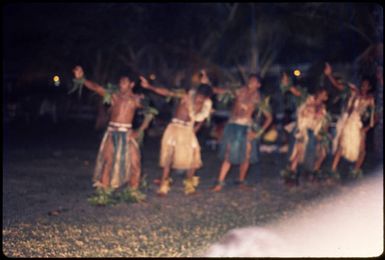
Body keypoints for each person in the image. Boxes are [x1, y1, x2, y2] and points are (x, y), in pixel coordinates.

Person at [72, 66, 151, 197]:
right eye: (120, 82)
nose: (121, 85)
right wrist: (82, 79)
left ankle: (133, 191)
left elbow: (150, 113)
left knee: (135, 162)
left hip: (127, 134)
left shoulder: (137, 99)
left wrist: (139, 131)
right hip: (112, 132)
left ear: (131, 84)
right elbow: (96, 88)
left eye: (124, 82)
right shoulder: (114, 96)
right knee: (108, 161)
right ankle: (104, 192)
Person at [139, 74, 213, 196]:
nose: (199, 100)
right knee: (169, 156)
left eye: (203, 98)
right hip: (175, 128)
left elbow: (202, 119)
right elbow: (168, 93)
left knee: (193, 159)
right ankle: (163, 186)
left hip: (188, 130)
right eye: (199, 96)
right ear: (196, 93)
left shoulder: (206, 104)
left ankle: (189, 186)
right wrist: (149, 87)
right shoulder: (186, 96)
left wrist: (195, 129)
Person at [212, 74, 272, 192]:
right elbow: (221, 91)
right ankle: (220, 182)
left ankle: (241, 181)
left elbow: (269, 118)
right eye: (250, 79)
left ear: (258, 85)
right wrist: (208, 85)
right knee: (229, 154)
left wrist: (258, 133)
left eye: (254, 81)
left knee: (246, 156)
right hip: (233, 126)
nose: (250, 81)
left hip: (247, 127)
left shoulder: (259, 99)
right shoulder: (239, 91)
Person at [324, 63, 376, 178]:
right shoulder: (353, 92)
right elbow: (338, 85)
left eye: (366, 85)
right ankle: (333, 170)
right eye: (362, 85)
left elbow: (374, 115)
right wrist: (329, 75)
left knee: (362, 150)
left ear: (369, 87)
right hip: (348, 122)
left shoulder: (370, 99)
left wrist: (367, 128)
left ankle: (356, 170)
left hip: (359, 125)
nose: (363, 87)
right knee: (341, 145)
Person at [280, 89, 331, 185]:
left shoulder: (323, 107)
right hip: (302, 129)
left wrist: (323, 133)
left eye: (326, 95)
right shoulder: (307, 99)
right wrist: (288, 85)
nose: (324, 96)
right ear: (318, 93)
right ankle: (291, 174)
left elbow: (324, 122)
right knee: (298, 151)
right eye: (323, 93)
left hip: (313, 131)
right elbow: (296, 92)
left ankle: (312, 172)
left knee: (320, 152)